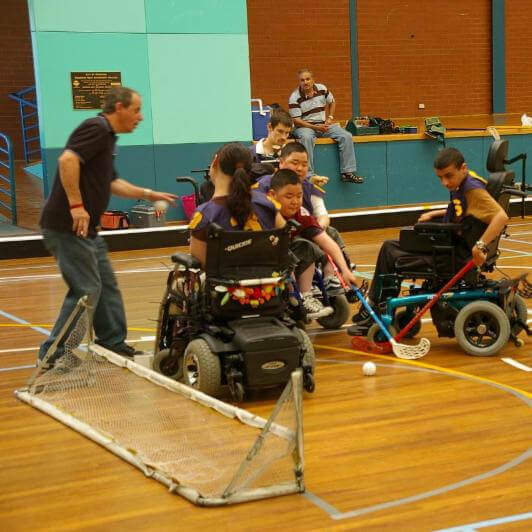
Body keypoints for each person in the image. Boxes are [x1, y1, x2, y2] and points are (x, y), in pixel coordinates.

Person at [38, 86, 178, 364]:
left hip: (87, 232)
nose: (139, 118)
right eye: (136, 110)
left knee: (106, 284)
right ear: (119, 108)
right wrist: (77, 206)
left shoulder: (106, 137)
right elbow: (67, 160)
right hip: (67, 228)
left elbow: (111, 182)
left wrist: (148, 194)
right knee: (87, 289)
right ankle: (54, 355)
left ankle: (112, 343)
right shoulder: (97, 128)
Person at [348, 147, 509, 335]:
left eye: (448, 176)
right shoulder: (467, 180)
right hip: (448, 243)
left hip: (453, 253)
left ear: (463, 168)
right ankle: (373, 307)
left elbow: (501, 217)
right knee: (391, 245)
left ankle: (374, 311)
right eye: (440, 177)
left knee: (389, 251)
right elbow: (464, 212)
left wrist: (480, 246)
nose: (444, 182)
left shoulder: (473, 189)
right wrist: (435, 213)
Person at [255, 142, 355, 285]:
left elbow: (322, 216)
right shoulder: (264, 187)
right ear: (281, 162)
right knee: (303, 246)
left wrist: (316, 229)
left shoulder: (306, 194)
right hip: (270, 240)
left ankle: (336, 274)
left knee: (327, 234)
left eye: (304, 164)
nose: (300, 168)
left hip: (299, 231)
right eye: (295, 163)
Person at [268, 170, 361, 310]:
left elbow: (326, 241)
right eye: (289, 196)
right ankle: (292, 294)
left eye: (299, 196)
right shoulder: (264, 214)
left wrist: (345, 270)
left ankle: (309, 293)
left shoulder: (301, 213)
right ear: (272, 195)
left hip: (291, 254)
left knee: (311, 244)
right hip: (268, 256)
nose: (295, 201)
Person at [189, 142, 285, 267]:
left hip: (224, 286)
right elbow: (284, 242)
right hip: (268, 284)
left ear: (215, 162)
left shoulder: (204, 215)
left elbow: (203, 264)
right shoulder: (268, 204)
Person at [288, 68, 364, 184]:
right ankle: (308, 175)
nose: (305, 82)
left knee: (346, 135)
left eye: (308, 79)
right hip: (304, 127)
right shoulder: (294, 97)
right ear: (299, 82)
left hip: (323, 125)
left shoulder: (322, 89)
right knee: (306, 138)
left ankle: (347, 172)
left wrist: (330, 118)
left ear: (313, 80)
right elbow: (296, 120)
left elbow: (332, 101)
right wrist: (316, 128)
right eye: (302, 80)